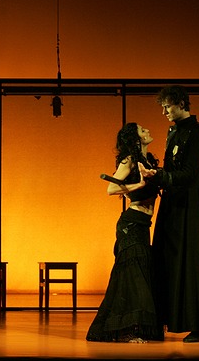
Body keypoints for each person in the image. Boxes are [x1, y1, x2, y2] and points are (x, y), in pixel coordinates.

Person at [143, 85, 199, 343]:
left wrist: (161, 176)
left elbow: (191, 174)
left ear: (181, 103)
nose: (164, 112)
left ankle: (197, 327)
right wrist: (155, 174)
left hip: (189, 206)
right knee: (164, 259)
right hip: (171, 203)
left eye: (167, 106)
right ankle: (163, 319)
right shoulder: (173, 132)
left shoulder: (198, 133)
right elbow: (172, 170)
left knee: (189, 263)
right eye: (163, 107)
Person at [86, 122, 164, 343]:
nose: (147, 130)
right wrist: (138, 185)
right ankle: (128, 330)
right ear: (135, 138)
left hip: (143, 225)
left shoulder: (147, 162)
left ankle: (136, 328)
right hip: (130, 225)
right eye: (142, 130)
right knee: (133, 278)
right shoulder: (129, 160)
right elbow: (111, 188)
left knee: (140, 276)